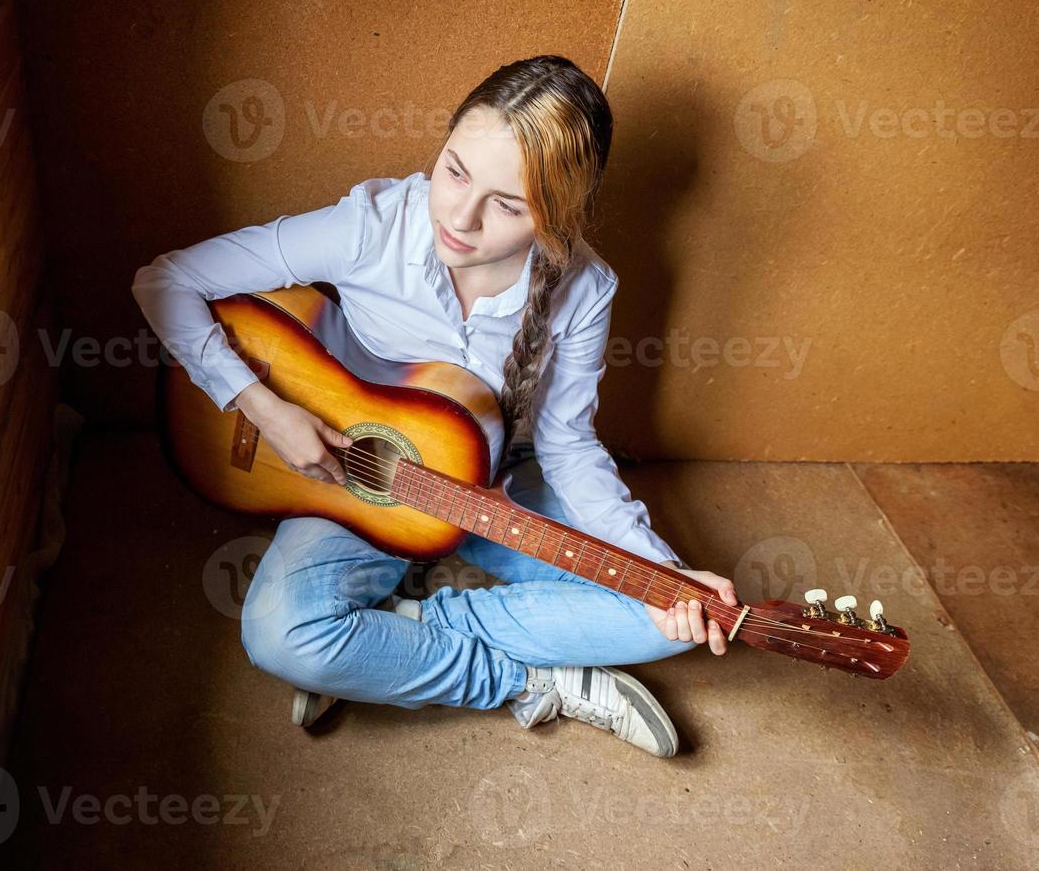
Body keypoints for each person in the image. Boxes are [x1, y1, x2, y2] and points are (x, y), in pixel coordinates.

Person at [131, 55, 738, 757]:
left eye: (507, 206)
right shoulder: (372, 228)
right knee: (281, 636)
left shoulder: (586, 286)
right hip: (351, 478)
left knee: (661, 618)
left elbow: (568, 445)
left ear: (557, 214)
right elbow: (166, 280)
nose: (459, 216)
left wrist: (662, 573)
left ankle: (397, 638)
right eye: (455, 170)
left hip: (494, 481)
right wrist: (265, 408)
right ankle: (527, 680)